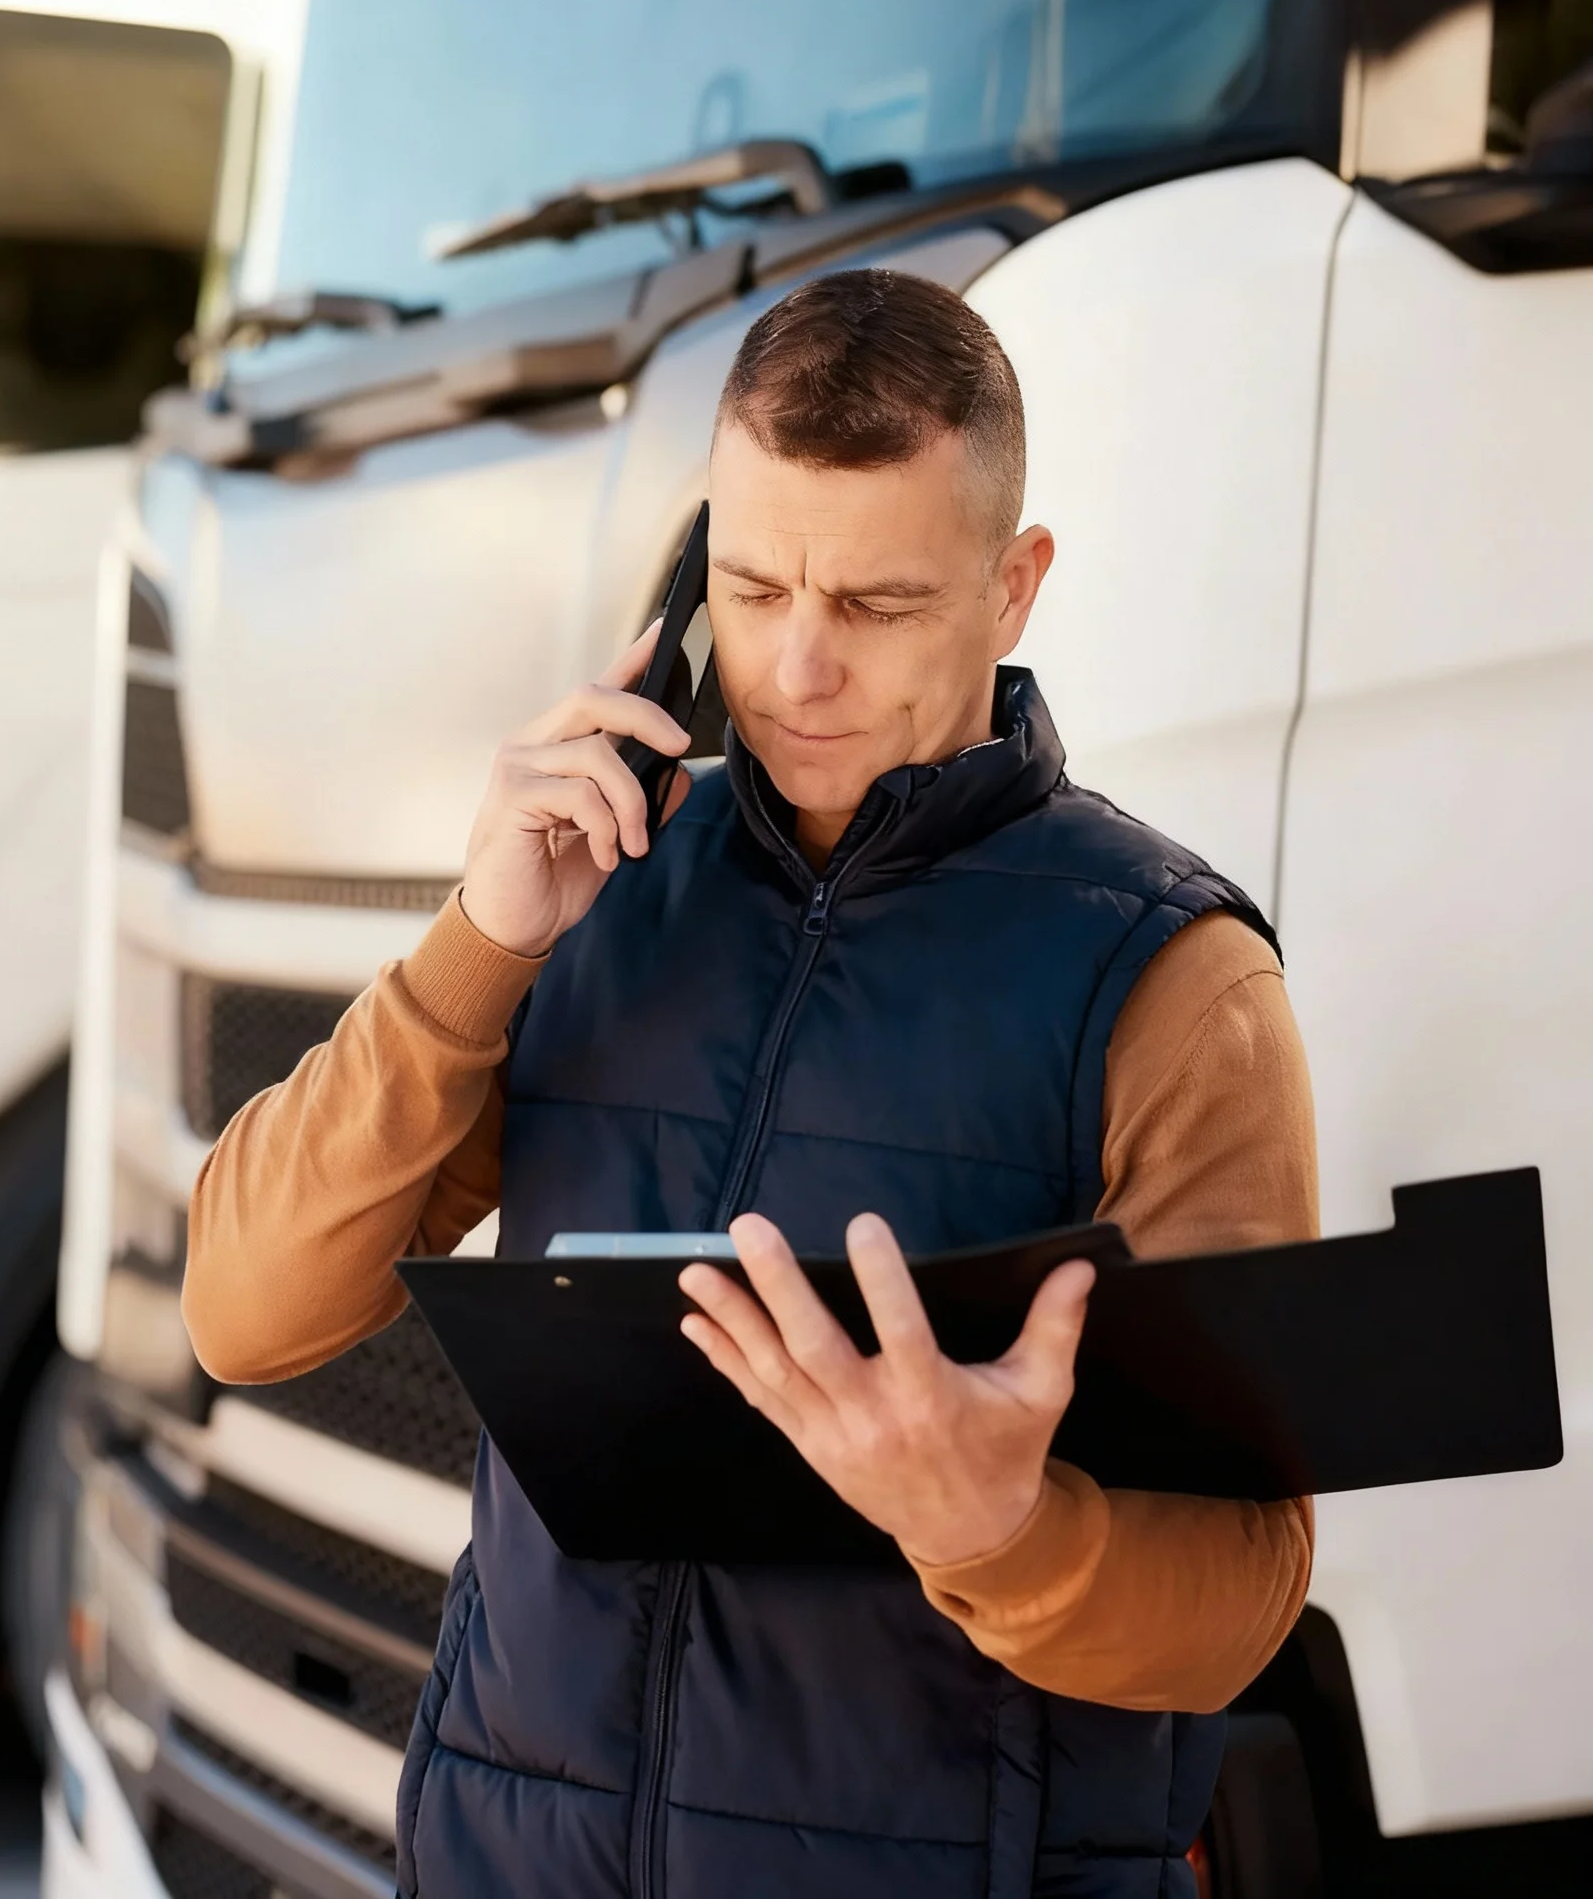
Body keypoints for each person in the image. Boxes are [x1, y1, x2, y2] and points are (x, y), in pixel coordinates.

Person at [184, 268, 1317, 1898]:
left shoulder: (1175, 982)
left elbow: (1240, 1598)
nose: (793, 671)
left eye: (874, 605)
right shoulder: (593, 886)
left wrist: (1000, 1527)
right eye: (755, 583)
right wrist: (478, 946)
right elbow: (243, 1308)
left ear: (1015, 589)